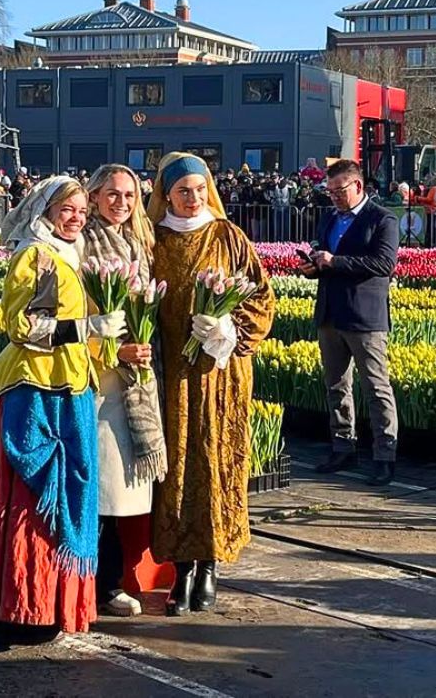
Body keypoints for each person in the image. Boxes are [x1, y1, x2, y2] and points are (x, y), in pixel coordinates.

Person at [0, 176, 121, 640]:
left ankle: (52, 605)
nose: (76, 218)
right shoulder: (35, 255)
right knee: (30, 506)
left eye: (81, 211)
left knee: (66, 499)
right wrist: (85, 327)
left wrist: (107, 341)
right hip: (35, 390)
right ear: (45, 210)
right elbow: (20, 325)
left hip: (72, 387)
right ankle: (21, 609)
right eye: (67, 209)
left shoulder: (76, 257)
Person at [147, 152, 276, 617]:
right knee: (177, 466)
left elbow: (261, 295)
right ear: (167, 194)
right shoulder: (155, 240)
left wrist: (233, 330)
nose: (192, 198)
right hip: (173, 377)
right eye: (183, 191)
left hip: (220, 372)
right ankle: (182, 567)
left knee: (215, 456)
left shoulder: (228, 236)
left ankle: (211, 563)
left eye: (199, 190)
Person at [79, 164, 166, 619]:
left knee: (117, 494)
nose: (121, 203)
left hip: (136, 385)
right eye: (112, 194)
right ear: (93, 196)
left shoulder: (141, 242)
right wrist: (113, 348)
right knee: (98, 489)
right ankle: (93, 583)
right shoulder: (82, 243)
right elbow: (69, 318)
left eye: (130, 196)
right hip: (99, 380)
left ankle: (108, 579)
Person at [298, 159, 399, 486]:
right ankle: (343, 445)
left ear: (358, 186)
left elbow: (384, 263)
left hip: (365, 317)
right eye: (330, 192)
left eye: (339, 191)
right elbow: (322, 250)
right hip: (330, 312)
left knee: (375, 386)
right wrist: (315, 264)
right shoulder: (330, 217)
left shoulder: (382, 219)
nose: (335, 197)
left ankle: (385, 454)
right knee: (336, 385)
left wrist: (335, 261)